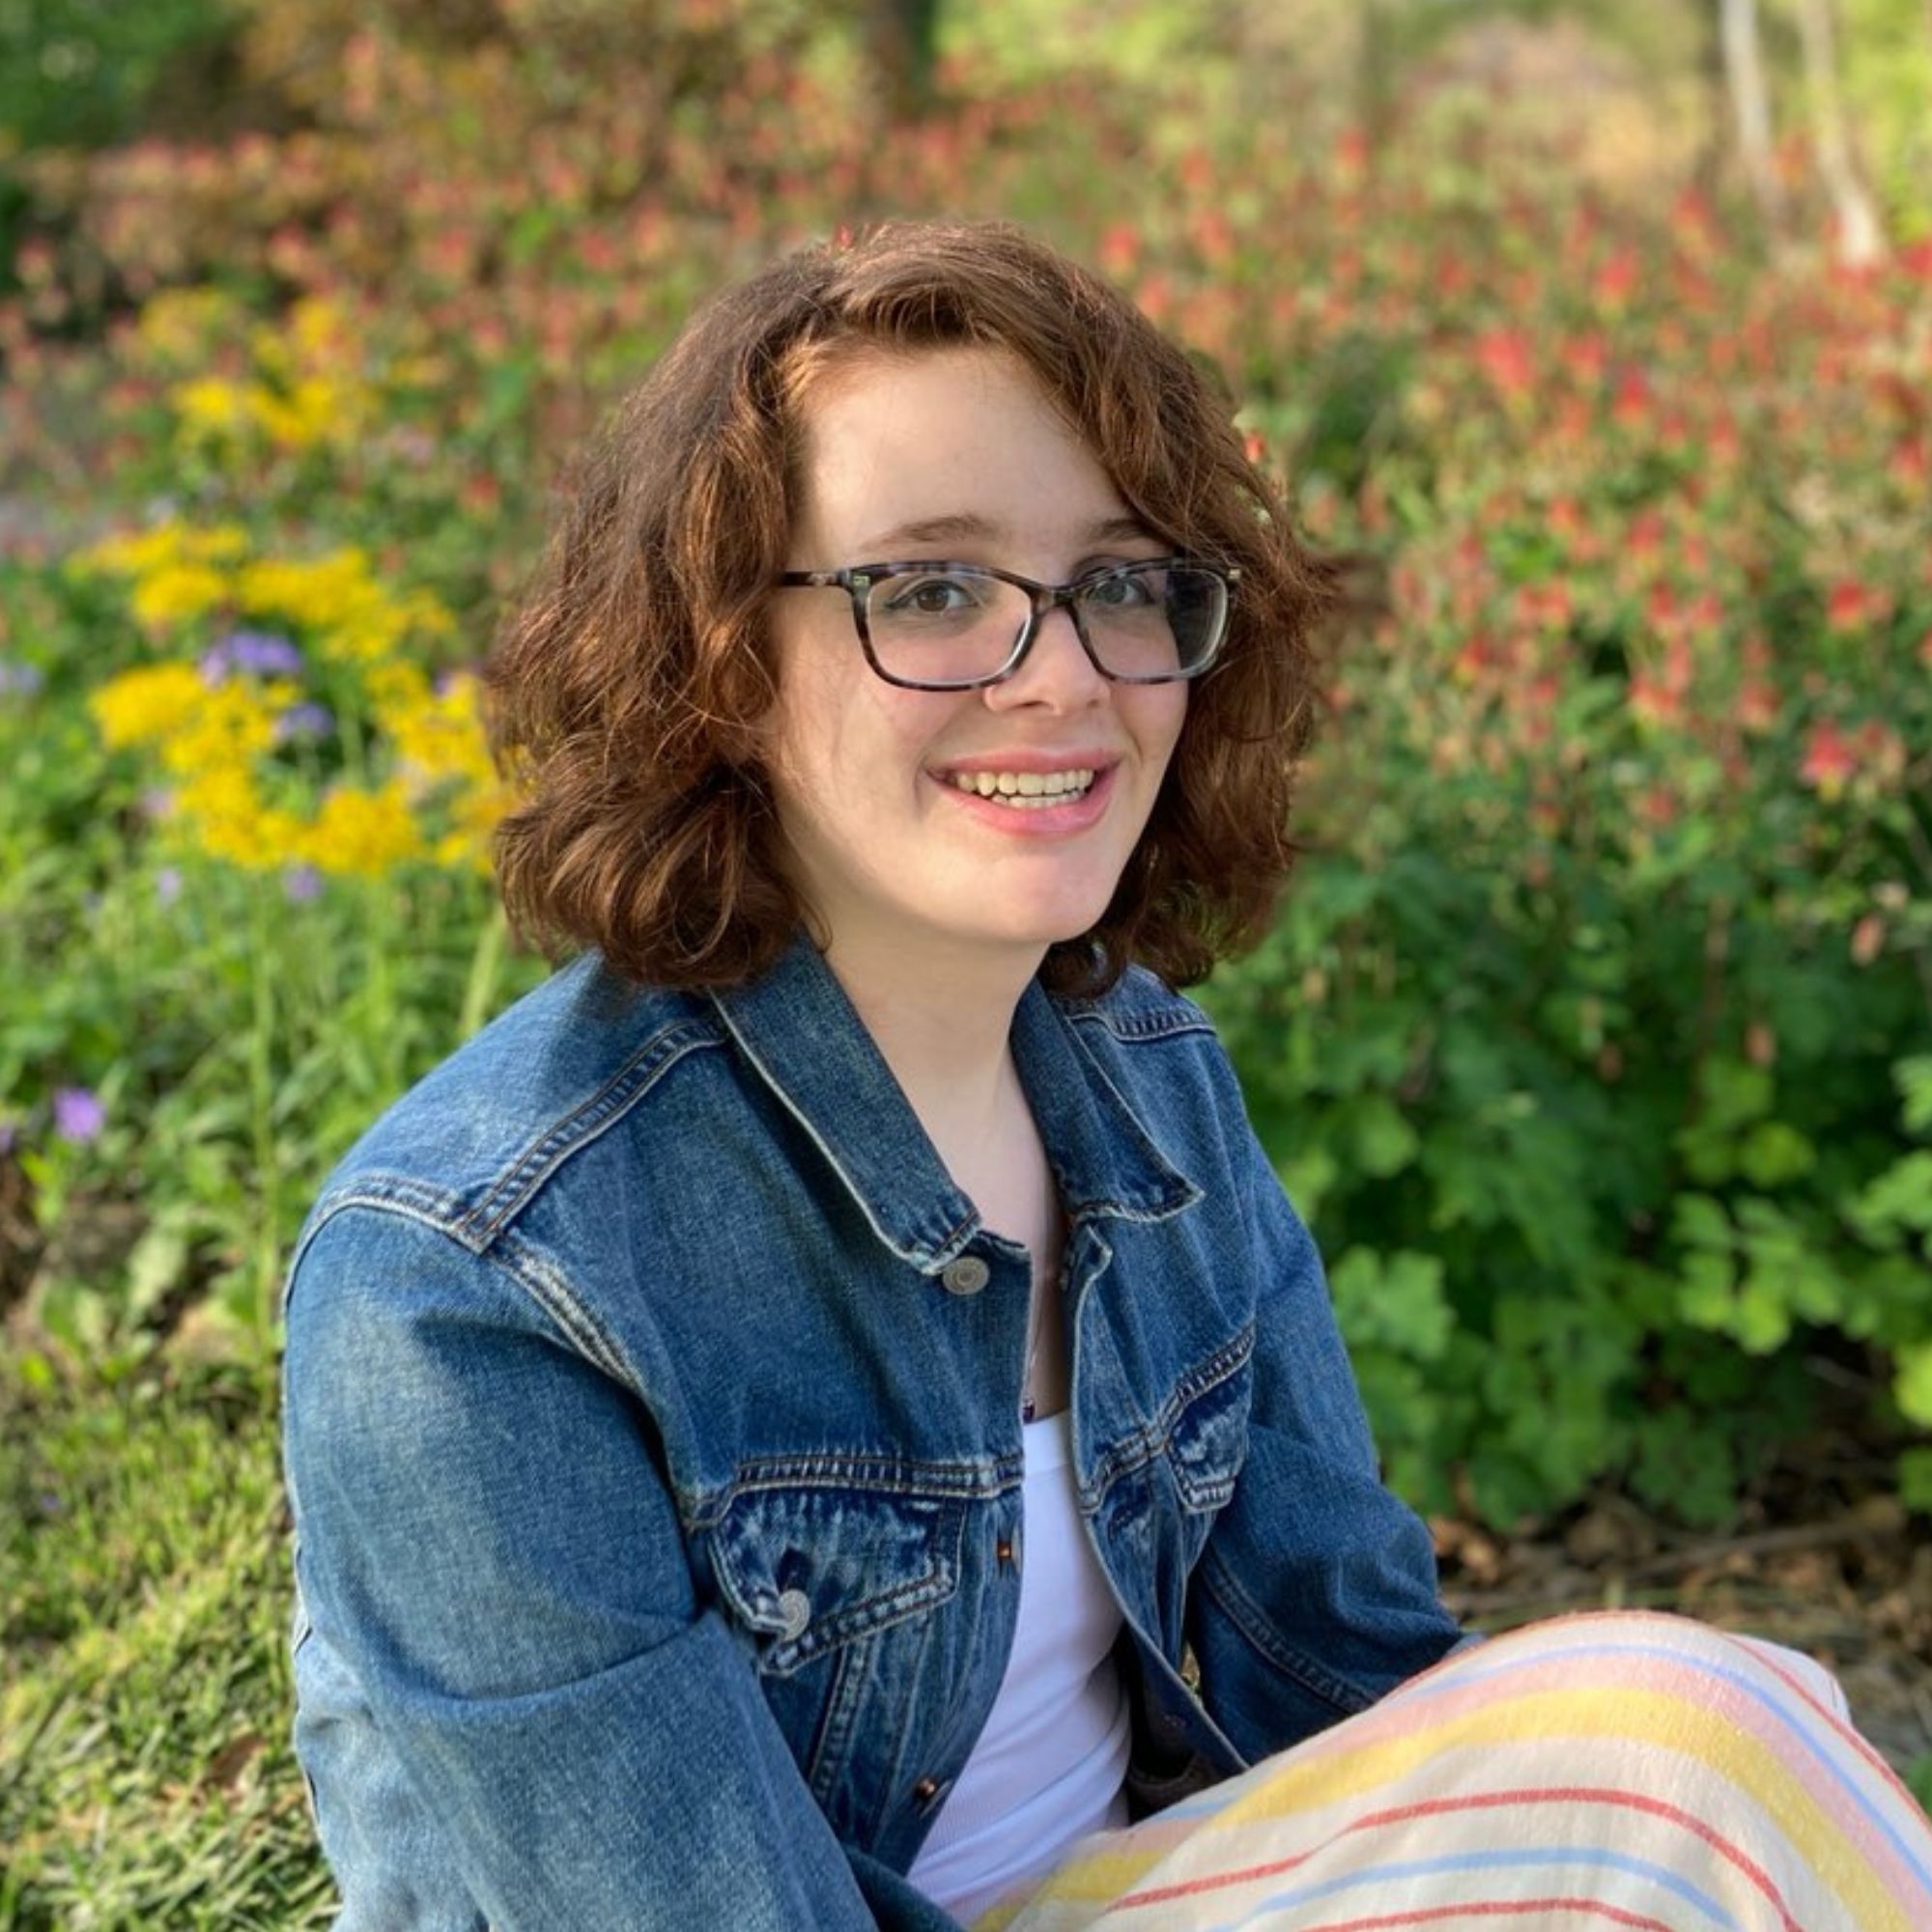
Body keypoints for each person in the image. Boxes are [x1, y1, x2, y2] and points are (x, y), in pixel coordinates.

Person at [282, 221, 1932, 1931]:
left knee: (1708, 1749)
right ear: (722, 668)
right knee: (1685, 1758)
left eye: (1123, 583)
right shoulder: (471, 1288)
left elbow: (1351, 1691)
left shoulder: (1147, 1078)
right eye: (929, 588)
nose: (1061, 672)